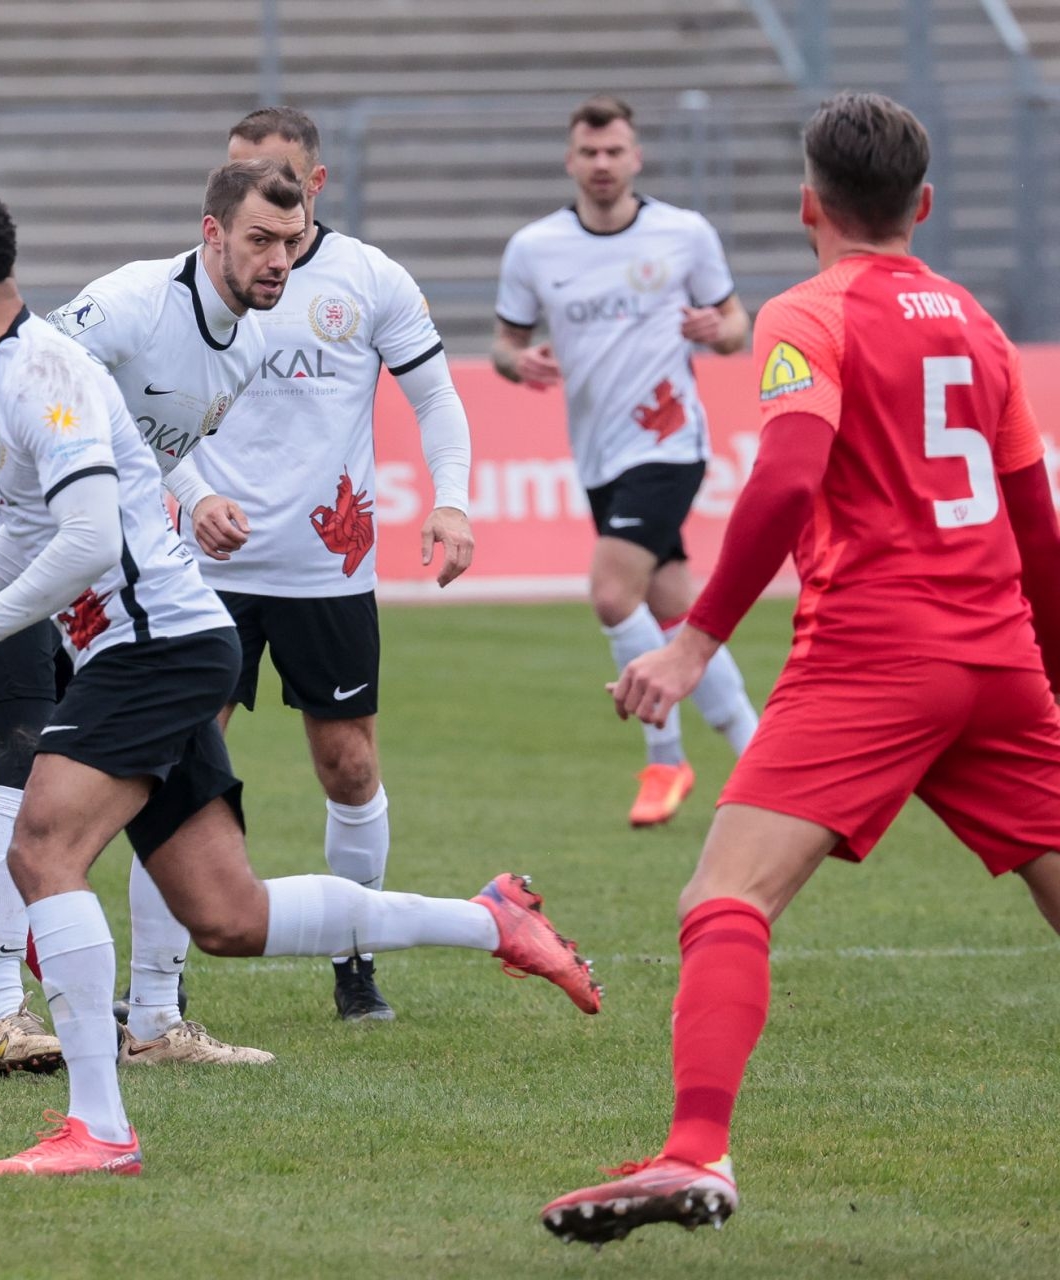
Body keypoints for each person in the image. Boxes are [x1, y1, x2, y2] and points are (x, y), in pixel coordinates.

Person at [0, 181, 600, 1177]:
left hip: (151, 643)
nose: (279, 258)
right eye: (262, 238)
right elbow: (39, 528)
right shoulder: (14, 375)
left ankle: (100, 1127)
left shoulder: (41, 375)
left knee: (41, 845)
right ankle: (492, 918)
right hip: (174, 637)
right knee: (230, 916)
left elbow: (87, 538)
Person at [541, 92, 1060, 1245]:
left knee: (724, 898)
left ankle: (696, 1148)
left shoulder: (809, 313)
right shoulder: (980, 325)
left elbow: (784, 480)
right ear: (923, 204)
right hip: (1000, 658)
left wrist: (693, 641)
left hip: (873, 654)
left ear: (808, 205)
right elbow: (1037, 524)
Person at [0, 157, 305, 1068]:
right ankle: (3, 1015)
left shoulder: (250, 345)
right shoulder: (129, 304)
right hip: (10, 557)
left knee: (170, 790)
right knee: (20, 781)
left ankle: (157, 1022)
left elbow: (140, 445)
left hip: (117, 584)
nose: (279, 256)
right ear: (214, 230)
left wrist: (195, 494)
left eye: (294, 238)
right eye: (262, 237)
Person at [181, 106, 477, 1022]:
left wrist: (452, 499)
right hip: (207, 569)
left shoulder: (370, 278)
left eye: (271, 176)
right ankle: (157, 983)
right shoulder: (187, 281)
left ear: (313, 184)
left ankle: (355, 960)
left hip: (326, 569)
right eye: (235, 176)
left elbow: (435, 397)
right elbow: (137, 411)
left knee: (348, 766)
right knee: (176, 762)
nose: (252, 192)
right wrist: (191, 496)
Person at [493, 94, 759, 828]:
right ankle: (760, 754)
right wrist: (521, 363)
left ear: (636, 157)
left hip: (669, 442)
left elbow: (736, 325)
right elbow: (503, 344)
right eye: (590, 152)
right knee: (675, 610)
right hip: (599, 457)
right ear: (571, 160)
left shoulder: (685, 233)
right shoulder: (535, 248)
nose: (603, 163)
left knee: (613, 595)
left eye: (615, 151)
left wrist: (717, 329)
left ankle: (665, 759)